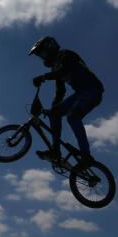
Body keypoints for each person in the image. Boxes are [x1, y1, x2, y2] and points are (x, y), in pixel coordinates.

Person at [28, 36, 104, 164]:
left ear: (50, 48)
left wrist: (44, 77)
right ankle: (55, 152)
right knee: (54, 114)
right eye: (40, 56)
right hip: (80, 93)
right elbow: (60, 91)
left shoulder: (66, 55)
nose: (43, 58)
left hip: (93, 90)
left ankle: (86, 156)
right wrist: (53, 108)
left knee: (73, 116)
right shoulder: (55, 67)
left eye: (42, 53)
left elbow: (64, 71)